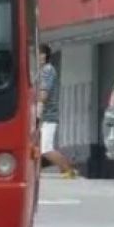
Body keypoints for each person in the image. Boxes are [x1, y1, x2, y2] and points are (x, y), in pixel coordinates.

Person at [38, 44, 78, 178]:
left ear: (46, 56)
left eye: (41, 54)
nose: (39, 57)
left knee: (46, 148)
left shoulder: (47, 70)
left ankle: (68, 170)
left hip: (48, 116)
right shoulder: (42, 70)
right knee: (39, 147)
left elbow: (44, 94)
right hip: (44, 117)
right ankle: (64, 170)